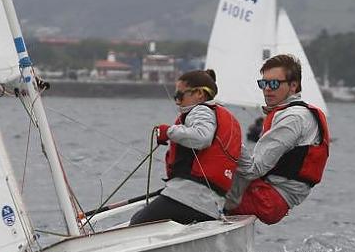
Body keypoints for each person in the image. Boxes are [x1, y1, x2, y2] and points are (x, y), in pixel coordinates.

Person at [224, 54, 330, 224]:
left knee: (203, 187)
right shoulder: (294, 113)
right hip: (270, 196)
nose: (267, 89)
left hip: (267, 200)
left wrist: (227, 138)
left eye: (273, 84)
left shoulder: (293, 118)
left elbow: (253, 169)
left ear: (293, 85)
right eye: (263, 84)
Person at [130, 70, 242, 225]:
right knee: (142, 217)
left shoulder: (201, 110)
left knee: (136, 223)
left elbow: (203, 136)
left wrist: (169, 131)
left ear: (200, 95)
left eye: (179, 96)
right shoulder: (223, 119)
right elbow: (247, 166)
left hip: (188, 198)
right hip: (211, 206)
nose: (177, 102)